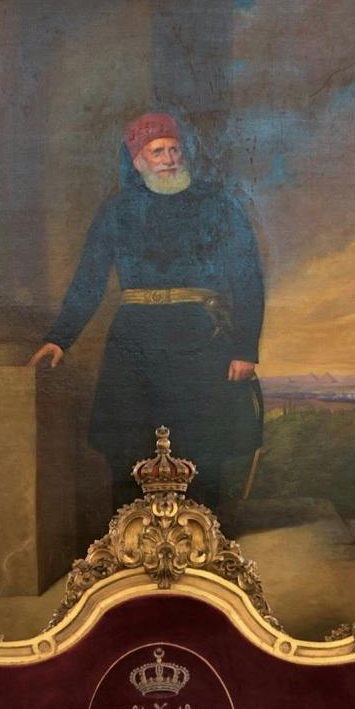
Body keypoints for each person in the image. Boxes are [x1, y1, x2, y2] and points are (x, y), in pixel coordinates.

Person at [29, 110, 266, 518]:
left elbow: (247, 278)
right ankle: (133, 538)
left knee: (202, 444)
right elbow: (89, 279)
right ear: (138, 161)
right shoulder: (118, 211)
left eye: (174, 150)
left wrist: (245, 348)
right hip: (134, 342)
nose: (169, 159)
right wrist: (60, 338)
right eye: (158, 152)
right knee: (129, 444)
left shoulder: (217, 204)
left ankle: (203, 537)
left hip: (200, 340)